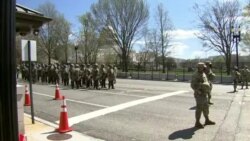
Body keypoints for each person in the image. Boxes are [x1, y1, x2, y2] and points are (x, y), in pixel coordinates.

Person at [191, 62, 215, 128]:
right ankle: (197, 122)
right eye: (202, 67)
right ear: (198, 67)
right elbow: (192, 85)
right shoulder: (195, 75)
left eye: (204, 67)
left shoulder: (203, 73)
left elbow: (206, 81)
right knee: (199, 109)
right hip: (199, 94)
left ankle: (207, 120)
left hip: (205, 94)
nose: (204, 68)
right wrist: (198, 91)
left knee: (206, 108)